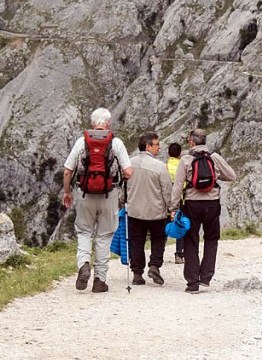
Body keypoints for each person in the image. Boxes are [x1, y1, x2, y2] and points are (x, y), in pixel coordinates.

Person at [62, 107, 133, 293]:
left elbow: (68, 171)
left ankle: (84, 263)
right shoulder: (116, 143)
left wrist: (67, 193)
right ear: (108, 124)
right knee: (104, 236)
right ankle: (99, 280)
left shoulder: (81, 142)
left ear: (93, 123)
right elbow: (129, 172)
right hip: (109, 195)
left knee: (84, 232)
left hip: (85, 195)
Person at [170, 129, 237, 293]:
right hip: (212, 204)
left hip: (192, 204)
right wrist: (216, 174)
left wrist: (174, 208)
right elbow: (232, 176)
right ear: (205, 141)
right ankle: (206, 277)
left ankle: (192, 283)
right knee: (211, 239)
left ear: (191, 142)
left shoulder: (186, 160)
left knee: (191, 241)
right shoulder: (214, 158)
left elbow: (178, 187)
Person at [125, 132, 172, 285]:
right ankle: (154, 265)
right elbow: (167, 191)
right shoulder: (159, 167)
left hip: (135, 211)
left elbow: (123, 187)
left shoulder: (129, 164)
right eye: (157, 144)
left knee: (136, 241)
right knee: (158, 239)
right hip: (156, 212)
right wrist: (172, 209)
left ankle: (137, 274)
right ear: (148, 146)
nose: (159, 147)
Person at [166, 142, 184, 264]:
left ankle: (158, 253)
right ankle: (179, 255)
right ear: (180, 154)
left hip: (166, 201)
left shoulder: (165, 166)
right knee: (180, 225)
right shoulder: (183, 166)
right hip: (180, 200)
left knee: (163, 226)